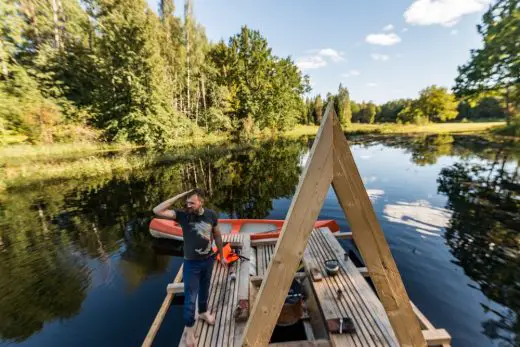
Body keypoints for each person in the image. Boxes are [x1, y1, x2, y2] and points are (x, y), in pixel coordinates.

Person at [153, 188, 226, 347]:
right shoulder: (183, 215)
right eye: (187, 202)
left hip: (208, 260)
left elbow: (218, 235)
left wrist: (221, 255)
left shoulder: (211, 215)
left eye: (192, 202)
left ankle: (203, 312)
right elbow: (157, 210)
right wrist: (179, 195)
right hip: (191, 264)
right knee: (190, 298)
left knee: (205, 289)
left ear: (201, 202)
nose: (189, 205)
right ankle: (190, 331)